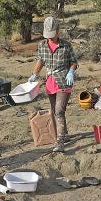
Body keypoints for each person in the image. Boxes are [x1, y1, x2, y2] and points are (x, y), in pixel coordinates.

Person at [29, 16, 78, 152]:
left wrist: (71, 72)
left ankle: (60, 142)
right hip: (50, 83)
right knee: (54, 112)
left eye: (52, 35)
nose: (50, 38)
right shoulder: (42, 46)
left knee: (59, 111)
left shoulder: (66, 46)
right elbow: (40, 61)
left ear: (58, 31)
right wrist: (34, 73)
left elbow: (74, 62)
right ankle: (65, 134)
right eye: (47, 35)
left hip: (64, 81)